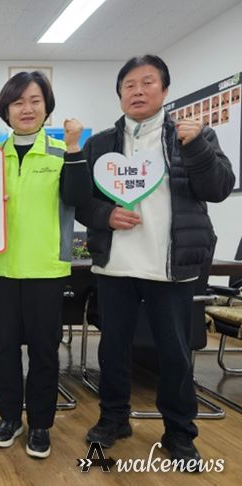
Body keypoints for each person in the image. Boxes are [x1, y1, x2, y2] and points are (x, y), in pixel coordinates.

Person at [76, 55, 235, 464]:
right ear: (119, 94)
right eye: (129, 85)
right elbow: (81, 202)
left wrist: (197, 147)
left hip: (172, 266)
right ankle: (113, 418)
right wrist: (105, 215)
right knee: (113, 348)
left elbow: (219, 188)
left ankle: (180, 432)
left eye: (147, 82)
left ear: (164, 90)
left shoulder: (193, 135)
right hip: (115, 264)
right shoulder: (100, 145)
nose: (138, 91)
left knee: (175, 353)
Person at [0, 72, 91, 459]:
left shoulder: (62, 153)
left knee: (44, 350)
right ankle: (9, 417)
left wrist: (74, 147)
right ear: (6, 110)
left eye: (34, 100)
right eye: (18, 102)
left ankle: (41, 424)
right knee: (6, 349)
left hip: (46, 268)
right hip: (0, 267)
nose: (26, 109)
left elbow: (78, 198)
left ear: (47, 107)